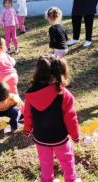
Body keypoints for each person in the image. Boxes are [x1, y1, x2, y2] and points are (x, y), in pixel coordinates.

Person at [23, 54, 80, 182]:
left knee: (45, 162)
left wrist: (27, 130)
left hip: (40, 138)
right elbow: (71, 118)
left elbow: (27, 113)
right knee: (67, 159)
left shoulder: (31, 93)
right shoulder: (64, 94)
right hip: (59, 138)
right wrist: (75, 136)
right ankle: (71, 179)